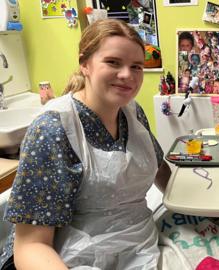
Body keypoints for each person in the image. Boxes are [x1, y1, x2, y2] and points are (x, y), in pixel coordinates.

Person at [0, 19, 171, 269]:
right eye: (113, 62)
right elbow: (30, 246)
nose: (127, 75)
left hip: (137, 244)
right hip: (71, 256)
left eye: (136, 66)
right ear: (85, 64)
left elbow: (159, 168)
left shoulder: (132, 113)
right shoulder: (52, 130)